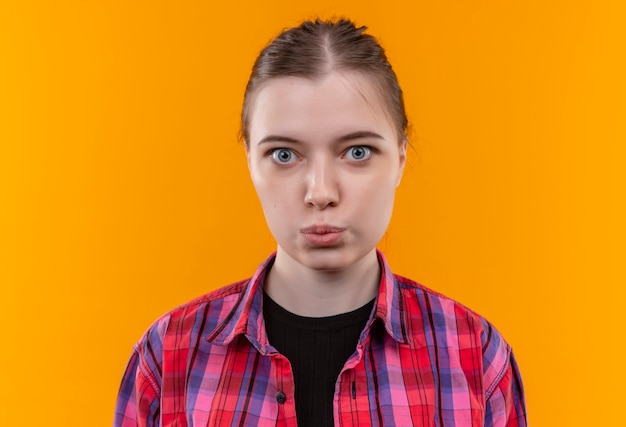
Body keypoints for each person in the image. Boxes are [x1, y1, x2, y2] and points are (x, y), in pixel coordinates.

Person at [114, 18, 527, 427]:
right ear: (250, 162)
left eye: (358, 152)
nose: (320, 192)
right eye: (284, 154)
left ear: (400, 159)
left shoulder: (477, 356)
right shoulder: (168, 357)